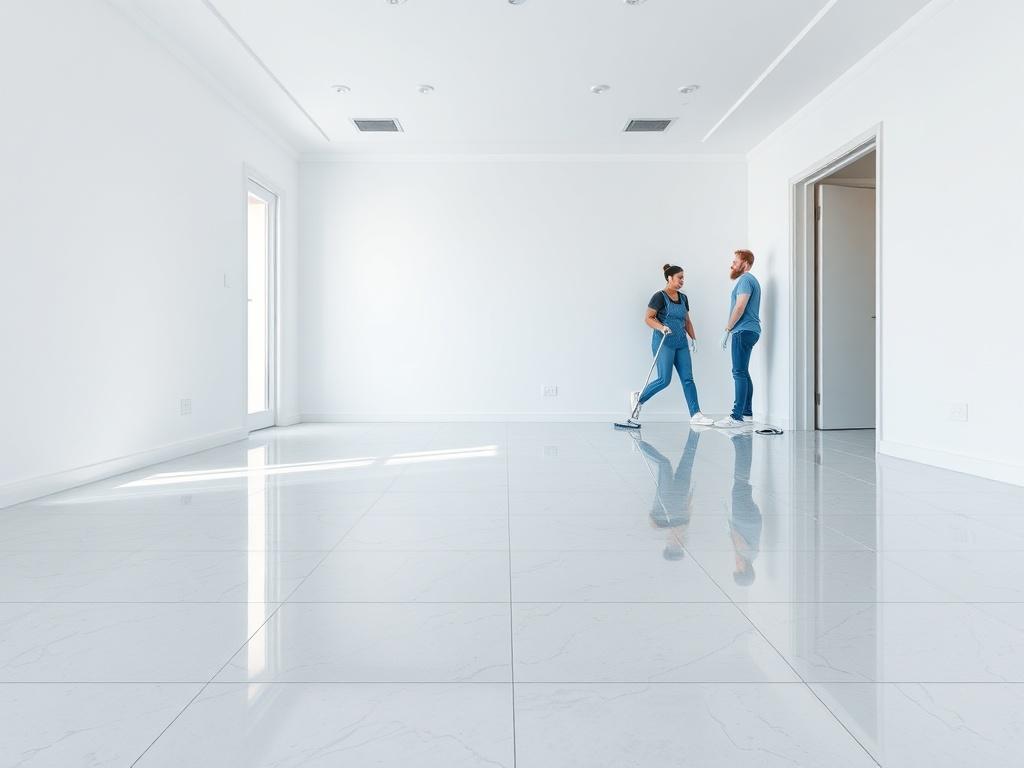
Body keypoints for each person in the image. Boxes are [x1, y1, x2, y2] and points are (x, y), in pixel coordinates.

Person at [630, 264, 715, 427]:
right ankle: (639, 398)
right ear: (669, 278)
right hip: (664, 342)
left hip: (681, 343)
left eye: (683, 277)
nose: (682, 280)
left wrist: (694, 339)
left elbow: (687, 321)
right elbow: (648, 318)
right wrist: (661, 327)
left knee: (688, 379)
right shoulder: (659, 296)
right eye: (679, 277)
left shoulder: (683, 298)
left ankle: (696, 414)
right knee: (664, 379)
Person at [634, 429, 704, 560]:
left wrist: (658, 522)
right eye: (679, 544)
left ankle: (638, 444)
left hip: (666, 492)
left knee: (664, 464)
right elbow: (688, 508)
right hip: (682, 490)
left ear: (668, 542)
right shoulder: (685, 524)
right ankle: (696, 430)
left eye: (673, 544)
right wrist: (691, 494)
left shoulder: (659, 524)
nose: (676, 542)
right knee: (689, 456)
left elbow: (651, 517)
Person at [714, 249, 761, 429]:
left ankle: (736, 416)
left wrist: (727, 329)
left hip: (743, 331)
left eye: (735, 261)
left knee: (738, 372)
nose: (732, 264)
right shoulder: (751, 280)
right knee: (743, 371)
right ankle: (747, 413)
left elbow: (740, 307)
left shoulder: (745, 280)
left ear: (745, 264)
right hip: (751, 330)